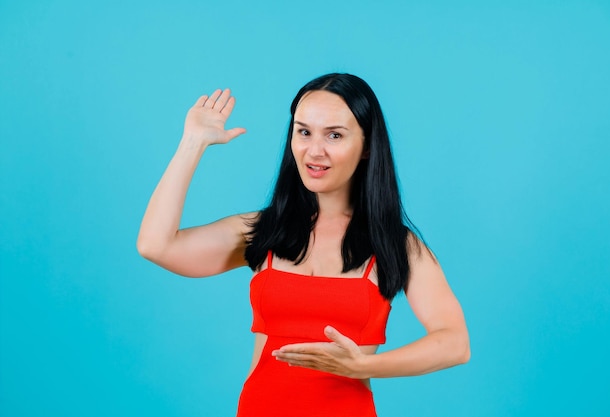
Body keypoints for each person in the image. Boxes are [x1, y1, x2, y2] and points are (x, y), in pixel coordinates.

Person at [137, 73, 470, 416]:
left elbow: (454, 343)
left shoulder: (395, 243)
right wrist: (192, 143)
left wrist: (363, 366)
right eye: (304, 131)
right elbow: (156, 245)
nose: (314, 150)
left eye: (335, 135)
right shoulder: (264, 231)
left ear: (367, 145)